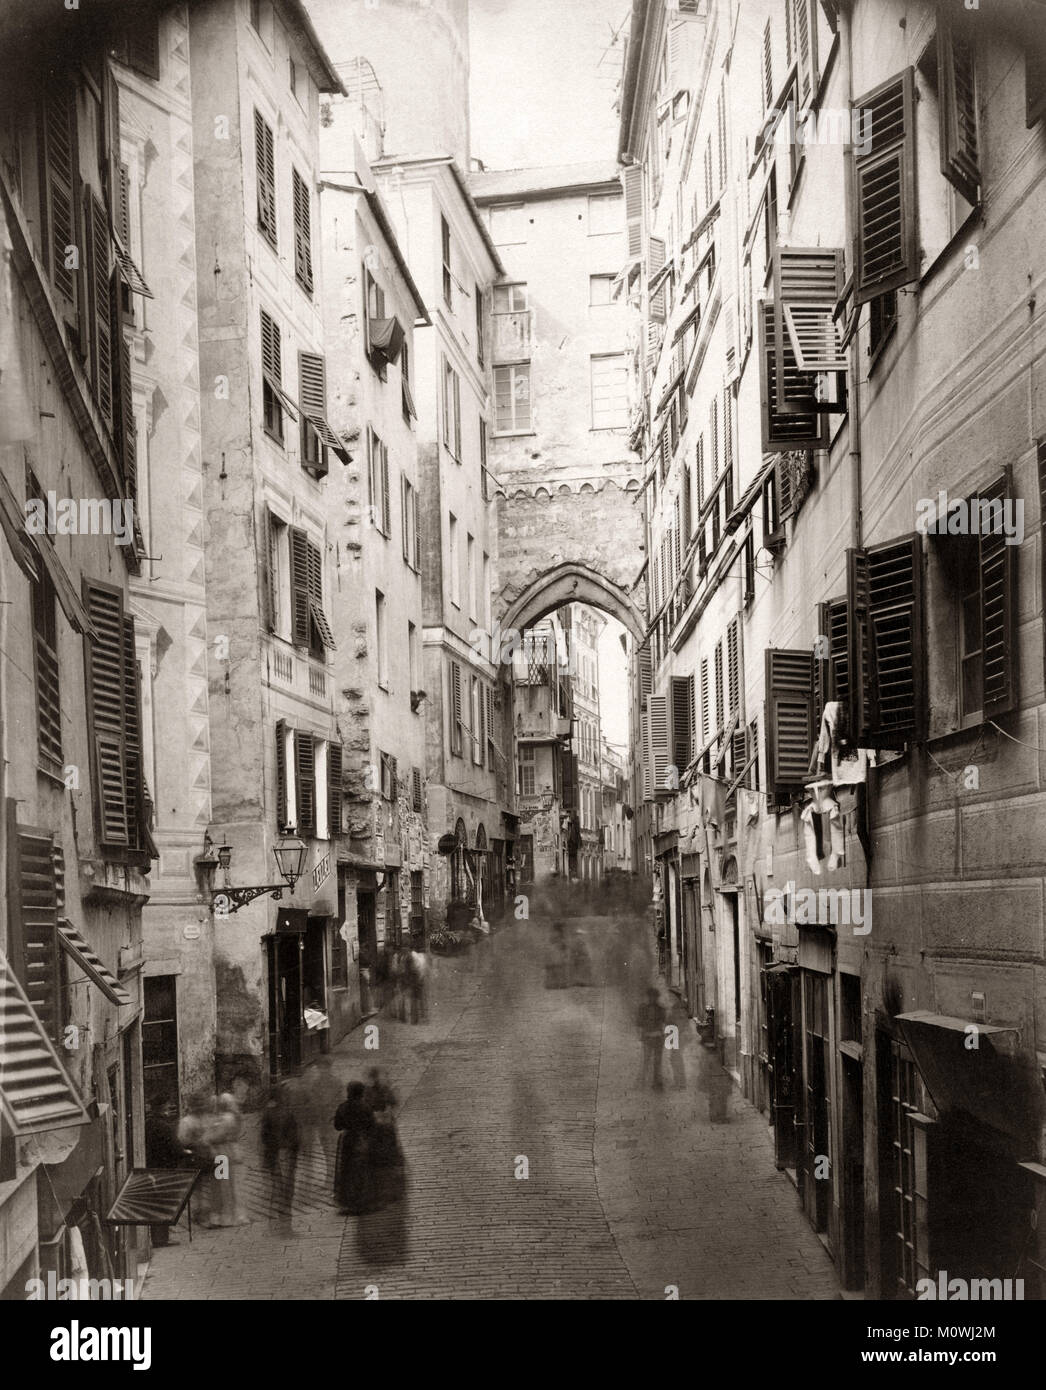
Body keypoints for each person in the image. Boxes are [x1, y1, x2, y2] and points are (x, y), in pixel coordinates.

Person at [260, 1082, 300, 1234]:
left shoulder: (268, 1113)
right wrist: (291, 1148)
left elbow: (264, 1137)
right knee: (286, 1191)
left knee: (277, 1191)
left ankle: (275, 1224)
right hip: (285, 1155)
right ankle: (285, 1225)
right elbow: (295, 1136)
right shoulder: (287, 1112)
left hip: (275, 1155)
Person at [144, 1099, 184, 1247]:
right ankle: (161, 1238)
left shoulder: (148, 1124)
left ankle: (157, 1237)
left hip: (150, 1167)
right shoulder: (165, 1127)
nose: (171, 1111)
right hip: (165, 1168)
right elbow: (176, 1149)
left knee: (155, 1204)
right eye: (168, 1108)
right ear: (162, 1110)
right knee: (163, 1204)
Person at [364, 1068, 405, 1207]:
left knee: (386, 1158)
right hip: (381, 1127)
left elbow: (393, 1103)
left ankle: (388, 1191)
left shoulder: (377, 1090)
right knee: (385, 1158)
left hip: (383, 1127)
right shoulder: (370, 1091)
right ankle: (387, 1191)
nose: (374, 1080)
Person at [333, 1082, 376, 1215]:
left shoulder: (343, 1107)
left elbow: (337, 1126)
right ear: (361, 1092)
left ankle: (348, 1202)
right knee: (363, 1169)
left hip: (348, 1141)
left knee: (347, 1170)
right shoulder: (366, 1107)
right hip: (362, 1139)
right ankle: (363, 1201)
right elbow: (371, 1125)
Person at [208, 1093, 248, 1226]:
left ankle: (225, 1217)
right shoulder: (235, 1118)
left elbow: (213, 1136)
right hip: (233, 1151)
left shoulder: (223, 1119)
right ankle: (238, 1215)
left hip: (221, 1153)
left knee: (222, 1185)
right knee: (235, 1185)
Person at [177, 1092, 216, 1227]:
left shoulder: (196, 1120)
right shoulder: (191, 1121)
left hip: (204, 1156)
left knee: (205, 1186)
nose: (201, 1107)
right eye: (199, 1104)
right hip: (199, 1157)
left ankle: (203, 1213)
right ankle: (201, 1214)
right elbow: (183, 1139)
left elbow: (183, 1139)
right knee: (200, 1187)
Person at [636, 987, 667, 1091]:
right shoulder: (643, 1008)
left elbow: (663, 1023)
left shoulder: (661, 1009)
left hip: (658, 1038)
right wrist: (641, 1035)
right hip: (648, 1038)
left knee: (657, 1062)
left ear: (656, 998)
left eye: (654, 997)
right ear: (648, 997)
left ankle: (656, 1083)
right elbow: (639, 1023)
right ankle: (643, 1082)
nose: (652, 999)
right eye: (651, 997)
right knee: (646, 1060)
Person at [407, 947, 428, 1023]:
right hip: (420, 980)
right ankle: (423, 1015)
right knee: (421, 999)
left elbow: (414, 969)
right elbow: (424, 970)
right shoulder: (423, 957)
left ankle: (415, 1019)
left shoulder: (413, 956)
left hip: (415, 980)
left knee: (414, 1000)